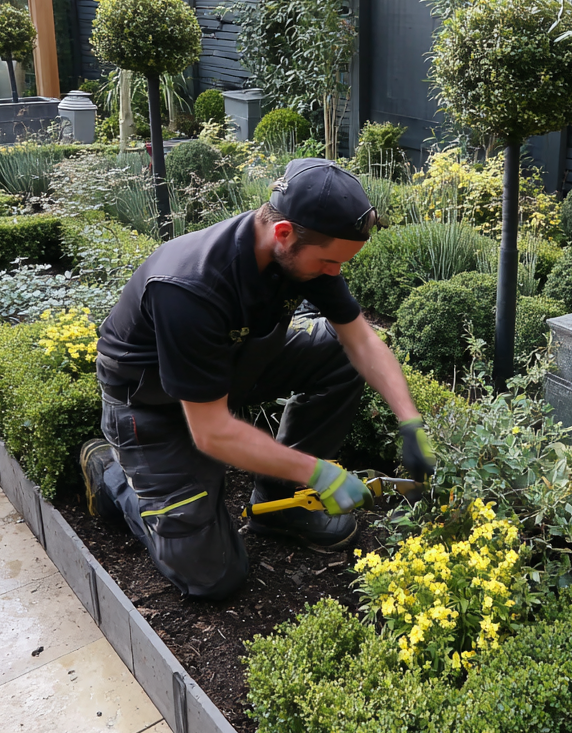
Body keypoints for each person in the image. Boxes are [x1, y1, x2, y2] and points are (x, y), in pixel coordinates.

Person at [81, 157, 436, 600]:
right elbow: (211, 433)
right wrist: (319, 472)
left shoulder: (306, 251)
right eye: (329, 262)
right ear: (283, 232)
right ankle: (113, 475)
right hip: (152, 404)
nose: (335, 273)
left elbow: (361, 341)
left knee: (336, 353)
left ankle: (279, 505)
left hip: (229, 368)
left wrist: (409, 420)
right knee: (213, 577)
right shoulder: (191, 286)